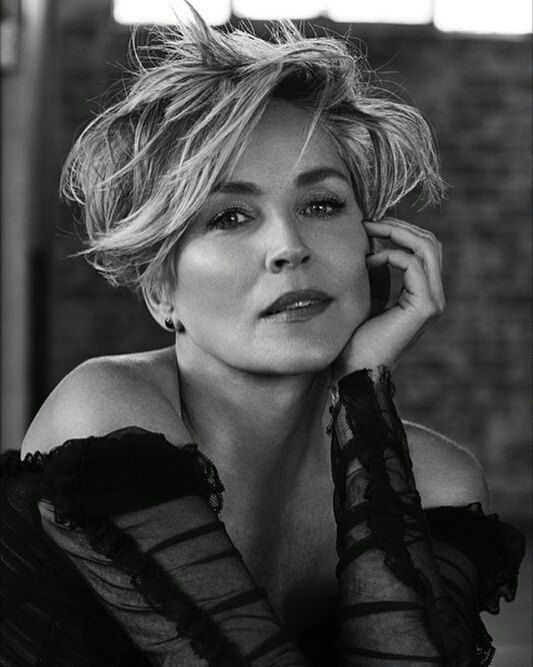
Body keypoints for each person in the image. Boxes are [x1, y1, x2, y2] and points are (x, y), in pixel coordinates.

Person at [0, 11, 525, 666]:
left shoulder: (438, 481)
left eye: (322, 205)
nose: (288, 246)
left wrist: (362, 391)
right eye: (230, 216)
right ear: (161, 289)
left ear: (371, 244)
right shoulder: (104, 414)